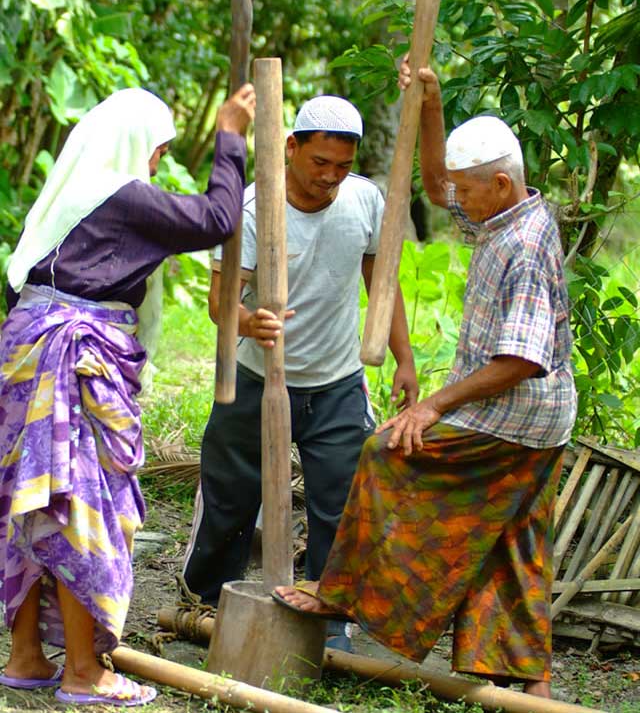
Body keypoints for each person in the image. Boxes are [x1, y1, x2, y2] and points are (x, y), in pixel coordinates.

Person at [273, 64, 577, 700]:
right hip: (540, 423)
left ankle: (345, 595)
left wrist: (432, 407)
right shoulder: (503, 211)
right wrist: (433, 106)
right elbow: (439, 184)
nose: (453, 201)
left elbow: (521, 359)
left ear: (499, 183)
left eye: (467, 192)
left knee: (388, 455)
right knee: (511, 546)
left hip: (514, 417)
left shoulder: (525, 244)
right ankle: (531, 686)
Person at [0, 83, 255, 706]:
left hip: (26, 351)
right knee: (82, 509)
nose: (155, 168)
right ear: (134, 146)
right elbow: (218, 219)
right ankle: (84, 672)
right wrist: (230, 137)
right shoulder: (120, 196)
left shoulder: (60, 203)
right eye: (157, 153)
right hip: (77, 359)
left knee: (38, 504)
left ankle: (27, 656)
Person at [183, 95, 419, 651]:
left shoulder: (363, 200)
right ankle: (205, 607)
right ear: (291, 147)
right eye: (320, 163)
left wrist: (404, 358)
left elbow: (381, 282)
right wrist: (251, 321)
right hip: (254, 380)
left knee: (338, 504)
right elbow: (221, 304)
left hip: (336, 383)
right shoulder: (249, 208)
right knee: (230, 498)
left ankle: (328, 621)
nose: (331, 177)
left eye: (343, 165)